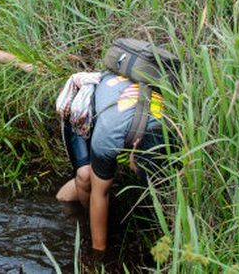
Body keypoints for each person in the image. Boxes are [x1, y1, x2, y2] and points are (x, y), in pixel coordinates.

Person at [55, 73, 177, 251]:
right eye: (135, 169)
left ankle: (89, 212)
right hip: (86, 107)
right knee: (86, 176)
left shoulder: (171, 132)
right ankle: (73, 211)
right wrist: (98, 256)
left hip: (119, 106)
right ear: (135, 146)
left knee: (100, 177)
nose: (134, 171)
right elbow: (100, 194)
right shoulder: (108, 138)